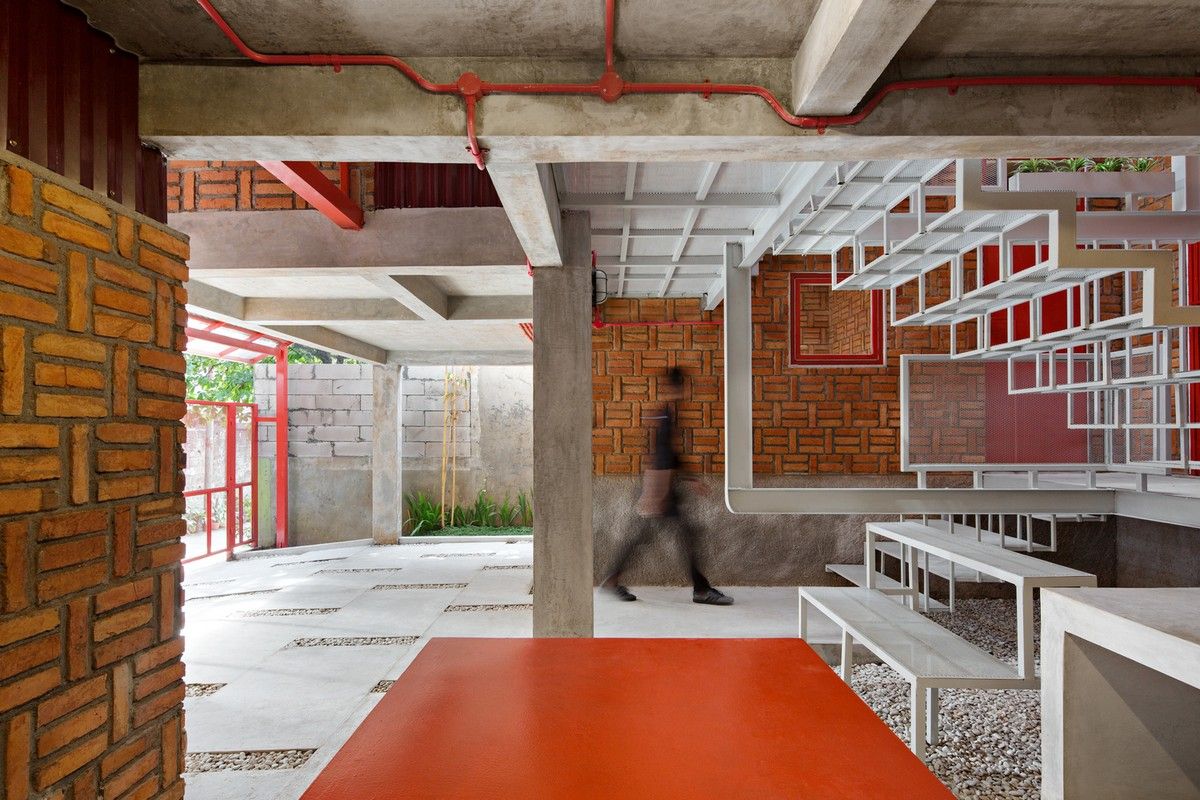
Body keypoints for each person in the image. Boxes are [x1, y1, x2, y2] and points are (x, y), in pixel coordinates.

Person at [601, 367, 733, 606]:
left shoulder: (667, 415)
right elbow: (661, 456)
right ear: (677, 388)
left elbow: (671, 455)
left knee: (650, 535)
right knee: (680, 536)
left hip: (664, 488)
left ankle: (613, 579)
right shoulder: (665, 417)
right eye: (683, 387)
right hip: (662, 490)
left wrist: (690, 479)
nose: (686, 392)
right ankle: (701, 590)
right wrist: (658, 495)